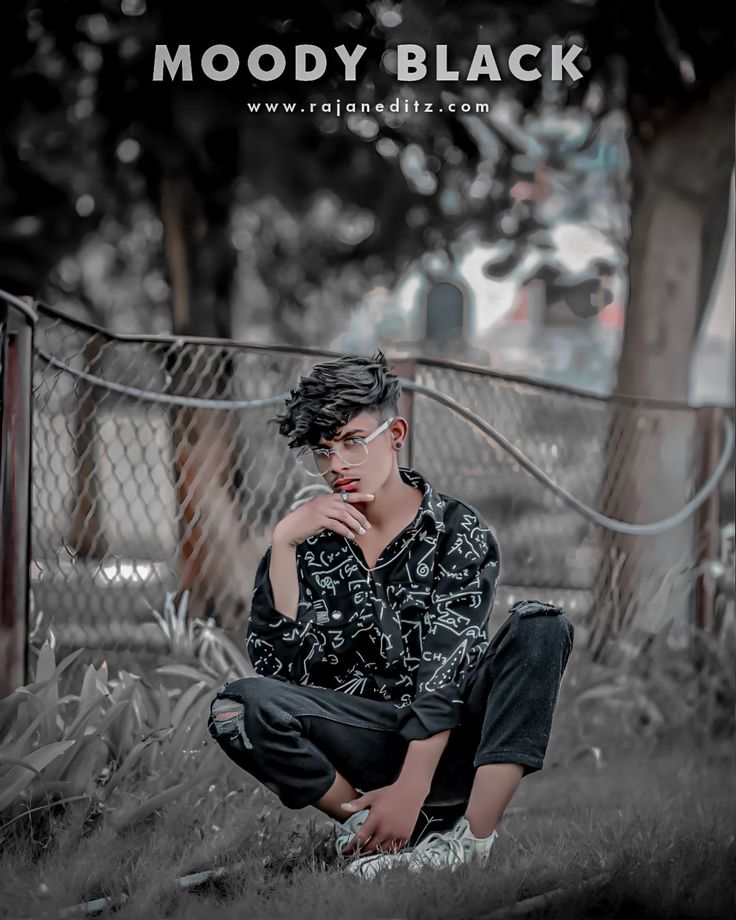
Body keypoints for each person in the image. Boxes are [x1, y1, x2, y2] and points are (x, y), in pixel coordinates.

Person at [207, 351, 574, 879]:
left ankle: (467, 841)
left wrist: (412, 787)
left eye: (353, 442)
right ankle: (376, 830)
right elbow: (280, 676)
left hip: (453, 747)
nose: (337, 466)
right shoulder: (310, 543)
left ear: (395, 433)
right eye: (322, 451)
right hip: (365, 740)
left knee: (542, 625)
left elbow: (445, 671)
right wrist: (284, 544)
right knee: (236, 709)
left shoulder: (456, 530)